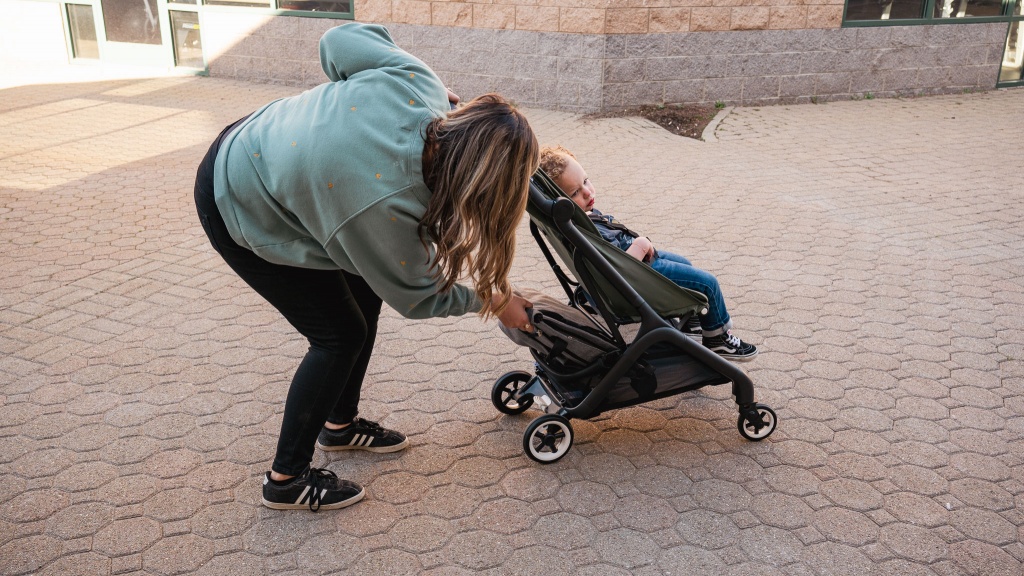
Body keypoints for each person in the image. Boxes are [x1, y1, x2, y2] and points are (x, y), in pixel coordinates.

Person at [194, 22, 539, 511]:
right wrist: (494, 299)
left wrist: (369, 95)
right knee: (338, 336)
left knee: (363, 292)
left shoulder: (419, 84)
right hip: (238, 199)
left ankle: (339, 425)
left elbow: (337, 42)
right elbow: (419, 297)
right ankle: (286, 479)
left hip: (264, 141)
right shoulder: (386, 205)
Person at [538, 145, 757, 362]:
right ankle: (718, 339)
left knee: (686, 265)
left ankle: (691, 323)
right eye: (575, 192)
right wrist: (641, 244)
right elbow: (615, 272)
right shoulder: (581, 231)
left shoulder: (576, 220)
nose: (587, 191)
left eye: (585, 181)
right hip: (637, 276)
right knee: (707, 283)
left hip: (641, 267)